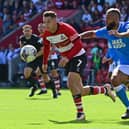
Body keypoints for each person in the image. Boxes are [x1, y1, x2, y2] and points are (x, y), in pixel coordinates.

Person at [41, 11, 115, 120]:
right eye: (44, 22)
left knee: (71, 82)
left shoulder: (66, 28)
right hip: (68, 60)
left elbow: (78, 44)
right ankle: (104, 90)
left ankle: (80, 114)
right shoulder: (46, 33)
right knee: (79, 90)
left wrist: (67, 57)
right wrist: (44, 63)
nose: (46, 25)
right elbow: (46, 47)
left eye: (49, 22)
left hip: (78, 56)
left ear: (55, 21)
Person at [80, 8, 129, 119]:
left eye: (108, 18)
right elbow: (92, 33)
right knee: (114, 79)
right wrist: (78, 36)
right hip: (125, 64)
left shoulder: (125, 26)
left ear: (115, 18)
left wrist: (120, 35)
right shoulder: (106, 31)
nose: (105, 20)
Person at [19, 24, 57, 98]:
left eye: (28, 30)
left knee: (45, 77)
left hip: (40, 58)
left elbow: (43, 50)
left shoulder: (36, 39)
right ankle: (35, 86)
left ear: (31, 31)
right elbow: (22, 49)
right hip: (32, 59)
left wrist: (34, 56)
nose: (27, 32)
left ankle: (54, 91)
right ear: (23, 31)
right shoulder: (22, 39)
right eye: (25, 31)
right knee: (26, 74)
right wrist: (25, 55)